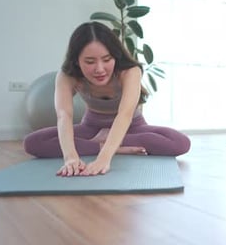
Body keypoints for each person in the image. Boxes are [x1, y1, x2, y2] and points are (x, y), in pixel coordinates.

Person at [23, 22, 191, 176]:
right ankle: (116, 147)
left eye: (107, 59)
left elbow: (124, 115)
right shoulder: (67, 75)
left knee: (180, 142)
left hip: (131, 127)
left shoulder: (130, 72)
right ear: (76, 61)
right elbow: (63, 115)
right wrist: (70, 157)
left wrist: (103, 158)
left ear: (115, 56)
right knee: (33, 142)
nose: (100, 69)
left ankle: (112, 144)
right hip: (92, 129)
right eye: (89, 61)